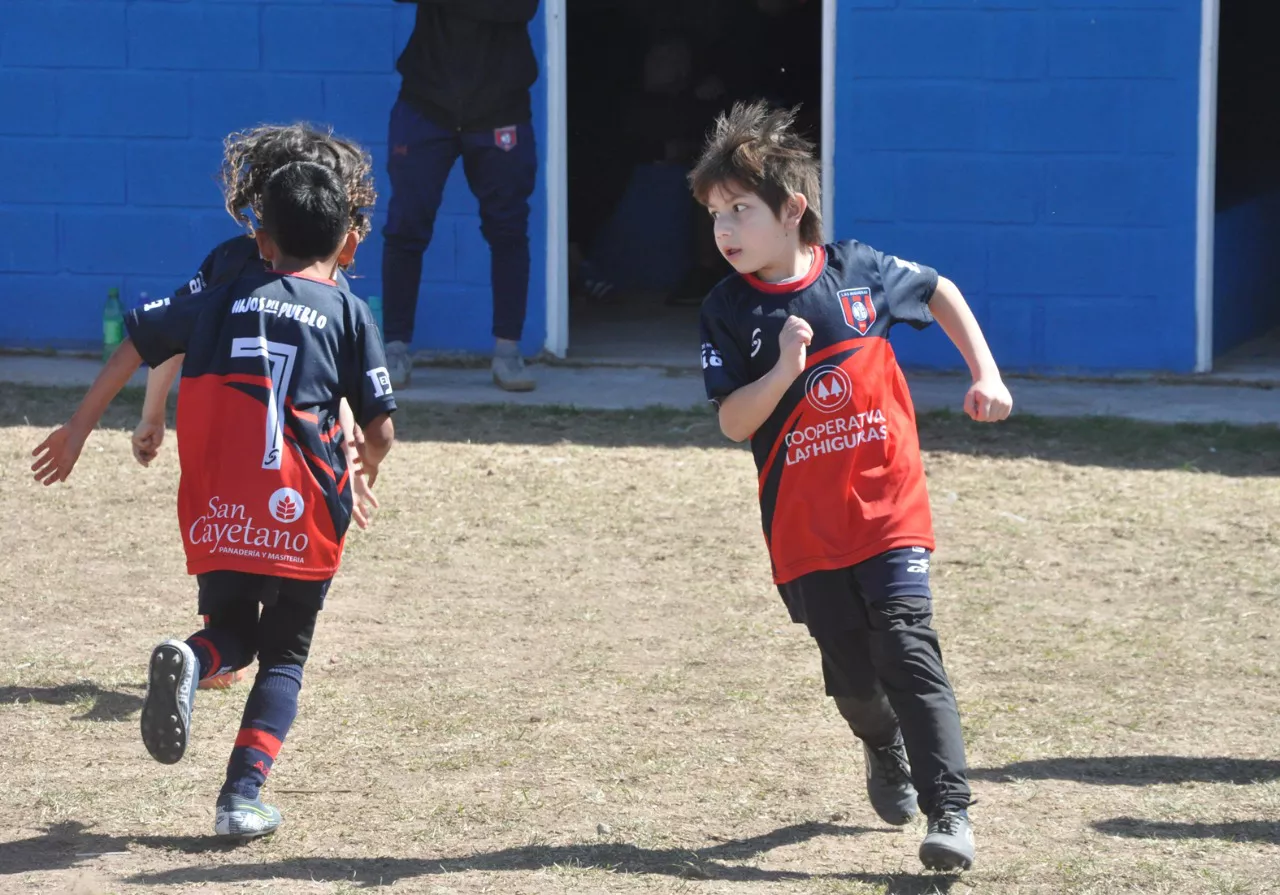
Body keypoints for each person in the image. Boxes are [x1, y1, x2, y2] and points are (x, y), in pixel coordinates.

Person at [32, 158, 397, 840]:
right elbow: (380, 427)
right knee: (283, 656)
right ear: (347, 240)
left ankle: (194, 658)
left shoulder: (223, 291)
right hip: (302, 505)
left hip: (218, 507)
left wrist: (78, 428)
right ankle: (241, 796)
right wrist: (365, 466)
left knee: (233, 631)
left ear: (263, 239)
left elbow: (138, 343)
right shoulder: (347, 309)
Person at [692, 102, 1013, 872]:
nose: (725, 228)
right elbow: (735, 422)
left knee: (908, 645)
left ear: (792, 209)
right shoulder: (726, 311)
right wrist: (783, 370)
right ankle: (882, 744)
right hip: (805, 528)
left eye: (740, 208)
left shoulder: (858, 272)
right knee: (854, 676)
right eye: (714, 214)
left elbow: (938, 289)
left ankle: (952, 810)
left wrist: (987, 371)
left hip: (890, 509)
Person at [130, 123, 380, 690]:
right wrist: (356, 461)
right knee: (277, 572)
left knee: (232, 533)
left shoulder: (235, 262)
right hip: (288, 466)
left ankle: (213, 650)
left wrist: (152, 414)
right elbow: (324, 378)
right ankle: (222, 656)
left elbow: (169, 338)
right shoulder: (317, 277)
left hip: (234, 448)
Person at [383, 0, 541, 392]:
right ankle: (394, 348)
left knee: (508, 229)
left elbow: (518, 9)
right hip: (425, 104)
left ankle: (508, 352)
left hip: (501, 107)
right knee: (405, 227)